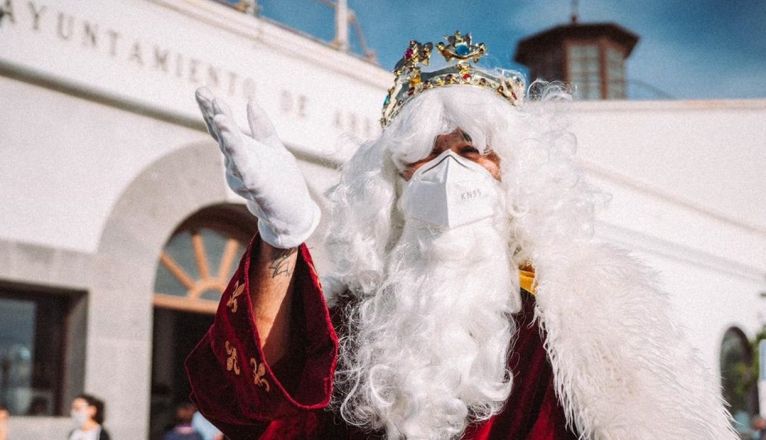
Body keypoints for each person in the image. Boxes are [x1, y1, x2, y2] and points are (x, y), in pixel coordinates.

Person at [185, 31, 737, 439]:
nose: (448, 172)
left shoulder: (584, 312)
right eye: (424, 154)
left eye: (472, 151)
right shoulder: (358, 317)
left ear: (514, 173)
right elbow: (256, 409)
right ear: (393, 180)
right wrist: (282, 237)